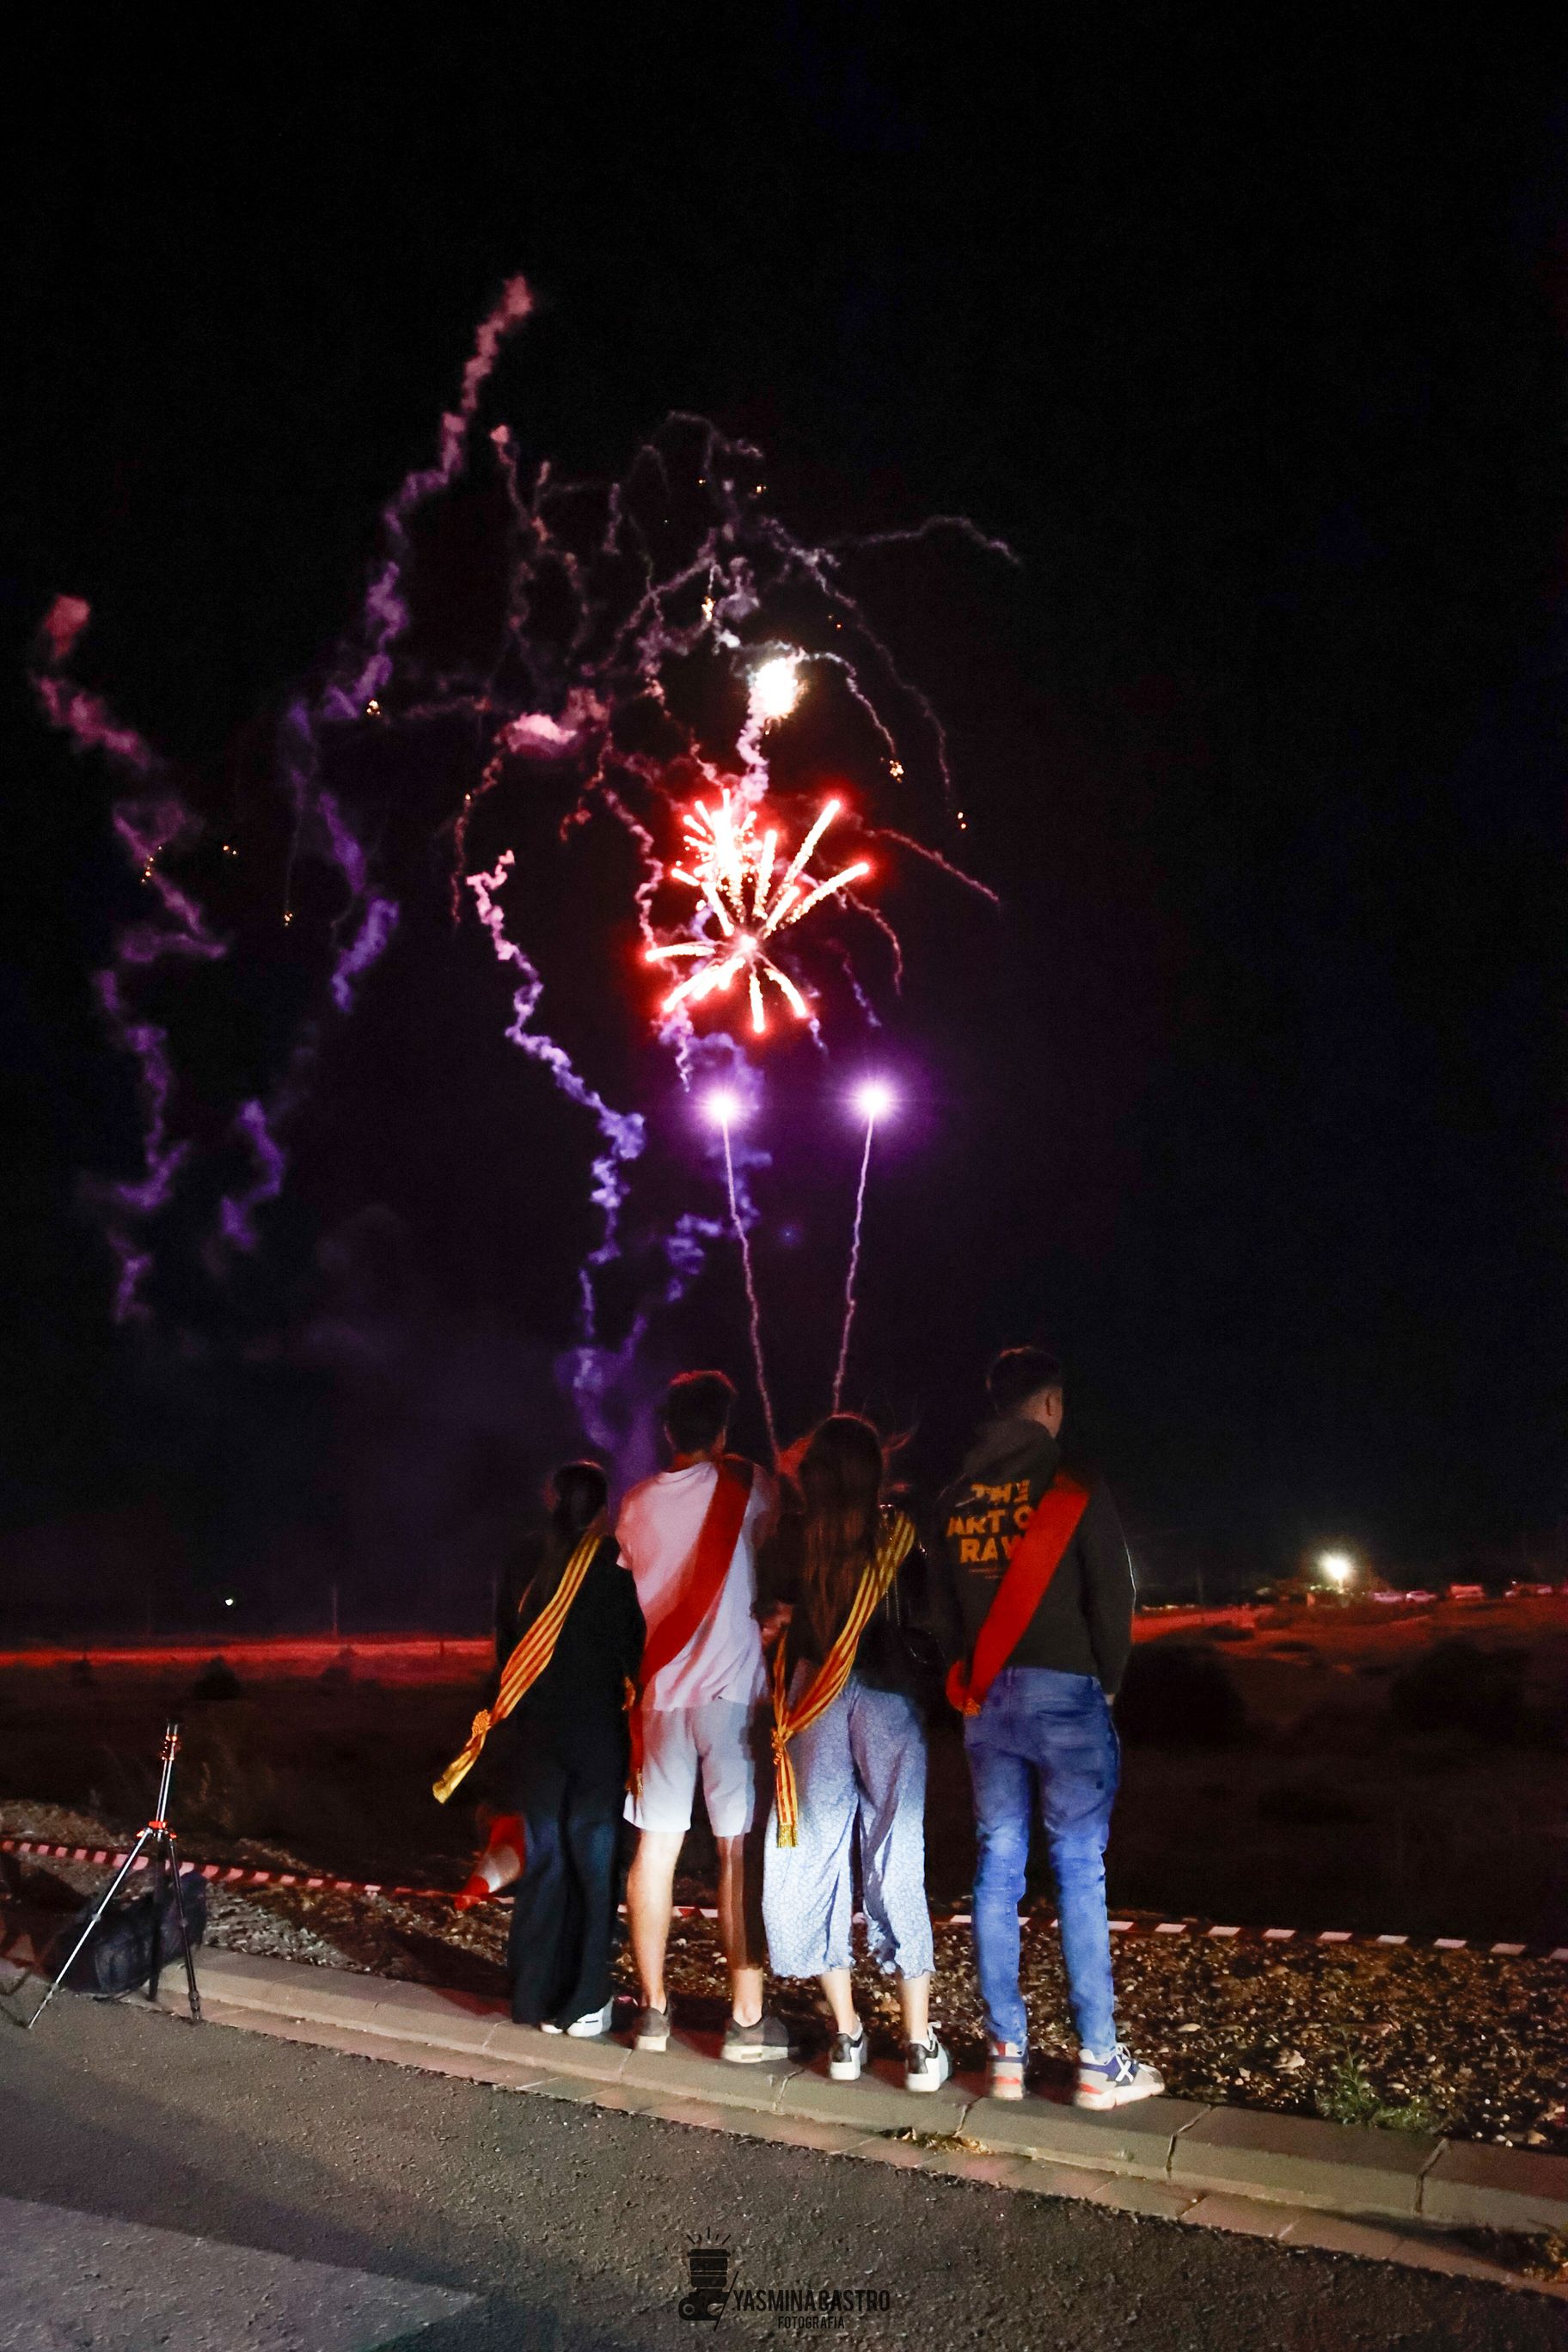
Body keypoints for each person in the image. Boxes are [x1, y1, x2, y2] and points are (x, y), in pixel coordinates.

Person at [935, 1345, 1164, 2109]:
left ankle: (1005, 2055)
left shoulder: (955, 1497)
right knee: (1077, 1867)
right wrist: (1109, 1684)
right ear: (1051, 1404)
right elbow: (1112, 1599)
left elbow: (941, 1614)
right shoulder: (1073, 1485)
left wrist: (967, 1676)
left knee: (998, 1866)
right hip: (1067, 1693)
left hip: (987, 1699)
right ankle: (1098, 2060)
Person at [756, 1414, 957, 2093]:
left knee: (810, 1856)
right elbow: (931, 1618)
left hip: (816, 1696)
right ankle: (920, 2045)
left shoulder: (793, 1539)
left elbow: (770, 1610)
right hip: (890, 1701)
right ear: (875, 1471)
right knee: (897, 1854)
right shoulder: (898, 1537)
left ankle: (846, 2035)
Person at [617, 1369, 787, 2062]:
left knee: (654, 1850)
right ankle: (746, 2021)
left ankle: (652, 2012)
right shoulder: (748, 1487)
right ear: (723, 1432)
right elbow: (773, 1543)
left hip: (660, 1698)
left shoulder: (634, 1504)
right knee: (735, 1851)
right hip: (732, 1697)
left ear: (667, 1431)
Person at [477, 1460, 644, 2035]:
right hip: (596, 1731)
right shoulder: (614, 1562)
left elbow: (505, 1646)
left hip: (536, 1732)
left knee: (544, 1858)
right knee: (594, 1863)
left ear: (552, 1501)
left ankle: (532, 1996)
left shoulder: (525, 1559)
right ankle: (584, 2000)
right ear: (602, 1510)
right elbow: (634, 1649)